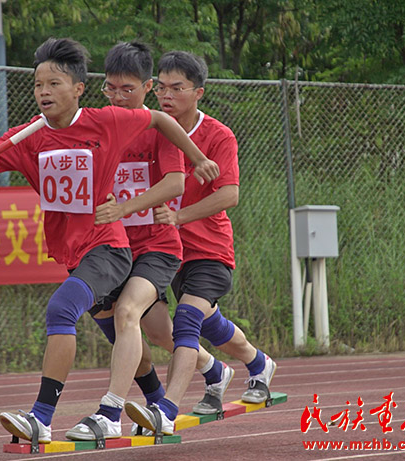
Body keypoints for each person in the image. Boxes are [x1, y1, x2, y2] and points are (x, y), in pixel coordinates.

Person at [0, 38, 219, 444]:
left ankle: (47, 417)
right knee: (124, 336)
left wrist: (197, 157)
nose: (44, 91)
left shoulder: (106, 121)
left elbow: (162, 122)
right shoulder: (28, 136)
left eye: (54, 83)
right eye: (38, 84)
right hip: (75, 252)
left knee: (68, 309)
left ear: (78, 88)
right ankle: (158, 401)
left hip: (112, 247)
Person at [65, 42, 225, 442]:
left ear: (147, 88)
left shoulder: (157, 127)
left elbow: (175, 182)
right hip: (115, 247)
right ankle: (213, 369)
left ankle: (109, 411)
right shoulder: (97, 126)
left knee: (127, 314)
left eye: (128, 90)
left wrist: (126, 207)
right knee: (155, 333)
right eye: (111, 89)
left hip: (158, 245)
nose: (118, 97)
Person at [124, 50, 277, 436]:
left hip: (208, 249)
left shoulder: (218, 135)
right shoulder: (147, 131)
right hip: (162, 251)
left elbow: (229, 195)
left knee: (190, 318)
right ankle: (246, 365)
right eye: (161, 87)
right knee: (174, 328)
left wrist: (179, 216)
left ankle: (166, 409)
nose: (166, 95)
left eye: (178, 88)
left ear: (199, 93)